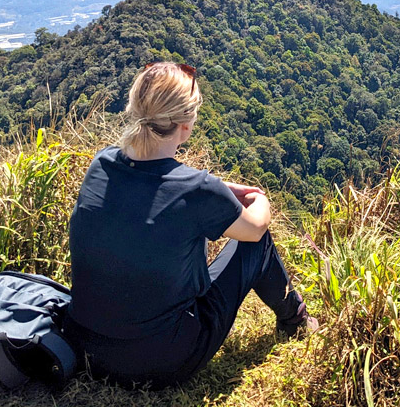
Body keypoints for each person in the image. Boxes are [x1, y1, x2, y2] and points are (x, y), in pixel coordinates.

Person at [64, 61, 316, 388]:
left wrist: (218, 190)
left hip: (84, 349)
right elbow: (254, 228)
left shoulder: (102, 163)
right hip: (160, 363)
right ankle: (296, 320)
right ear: (185, 123)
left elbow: (152, 188)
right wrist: (260, 198)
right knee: (258, 244)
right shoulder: (197, 190)